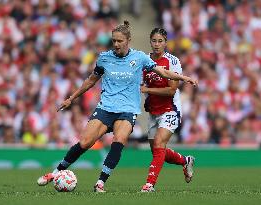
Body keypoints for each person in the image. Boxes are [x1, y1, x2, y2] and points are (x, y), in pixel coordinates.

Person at [37, 21, 198, 193]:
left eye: (119, 41)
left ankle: (100, 183)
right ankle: (55, 173)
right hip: (106, 107)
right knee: (85, 142)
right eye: (114, 40)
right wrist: (71, 98)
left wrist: (184, 77)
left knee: (118, 142)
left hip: (128, 110)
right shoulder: (104, 58)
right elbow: (91, 80)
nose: (116, 44)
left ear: (128, 40)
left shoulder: (140, 58)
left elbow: (163, 72)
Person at [140, 28, 196, 192]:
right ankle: (185, 161)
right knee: (158, 151)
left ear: (166, 42)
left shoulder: (172, 61)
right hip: (153, 111)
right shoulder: (145, 60)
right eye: (154, 41)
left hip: (170, 109)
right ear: (150, 42)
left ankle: (149, 185)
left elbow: (171, 90)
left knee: (159, 144)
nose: (157, 45)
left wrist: (147, 90)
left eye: (160, 41)